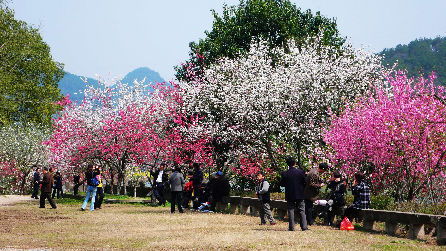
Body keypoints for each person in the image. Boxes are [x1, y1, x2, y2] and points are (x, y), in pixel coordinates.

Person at [279, 157, 308, 231]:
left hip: (290, 194)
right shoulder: (301, 172)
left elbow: (282, 184)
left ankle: (291, 227)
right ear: (295, 163)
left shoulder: (285, 173)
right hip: (300, 193)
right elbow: (305, 182)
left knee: (291, 210)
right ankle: (304, 227)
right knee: (302, 210)